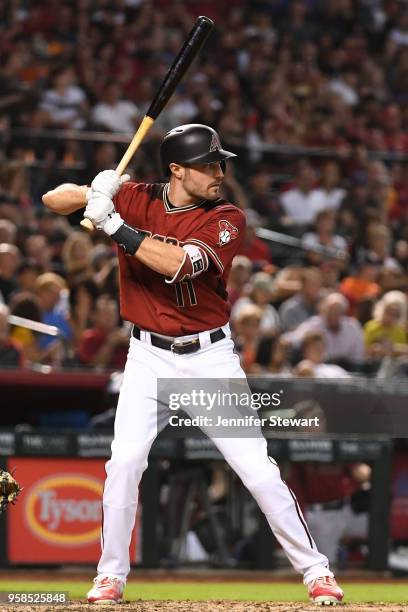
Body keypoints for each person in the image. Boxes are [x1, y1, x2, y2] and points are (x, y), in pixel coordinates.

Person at [42, 123, 343, 606]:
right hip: (146, 356)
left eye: (220, 163)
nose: (219, 173)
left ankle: (316, 572)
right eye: (208, 165)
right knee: (124, 462)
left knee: (256, 469)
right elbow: (51, 200)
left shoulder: (226, 217)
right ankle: (109, 576)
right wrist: (94, 191)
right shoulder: (136, 196)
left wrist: (114, 224)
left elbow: (179, 264)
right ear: (177, 169)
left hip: (208, 357)